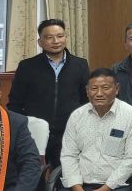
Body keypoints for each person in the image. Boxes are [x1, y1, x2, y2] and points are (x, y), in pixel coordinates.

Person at [8, 18, 89, 168]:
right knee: (34, 176)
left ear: (65, 38)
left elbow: (86, 101)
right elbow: (15, 103)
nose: (56, 41)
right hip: (35, 134)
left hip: (69, 133)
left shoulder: (80, 65)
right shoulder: (27, 66)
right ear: (40, 42)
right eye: (49, 37)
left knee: (66, 178)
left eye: (60, 36)